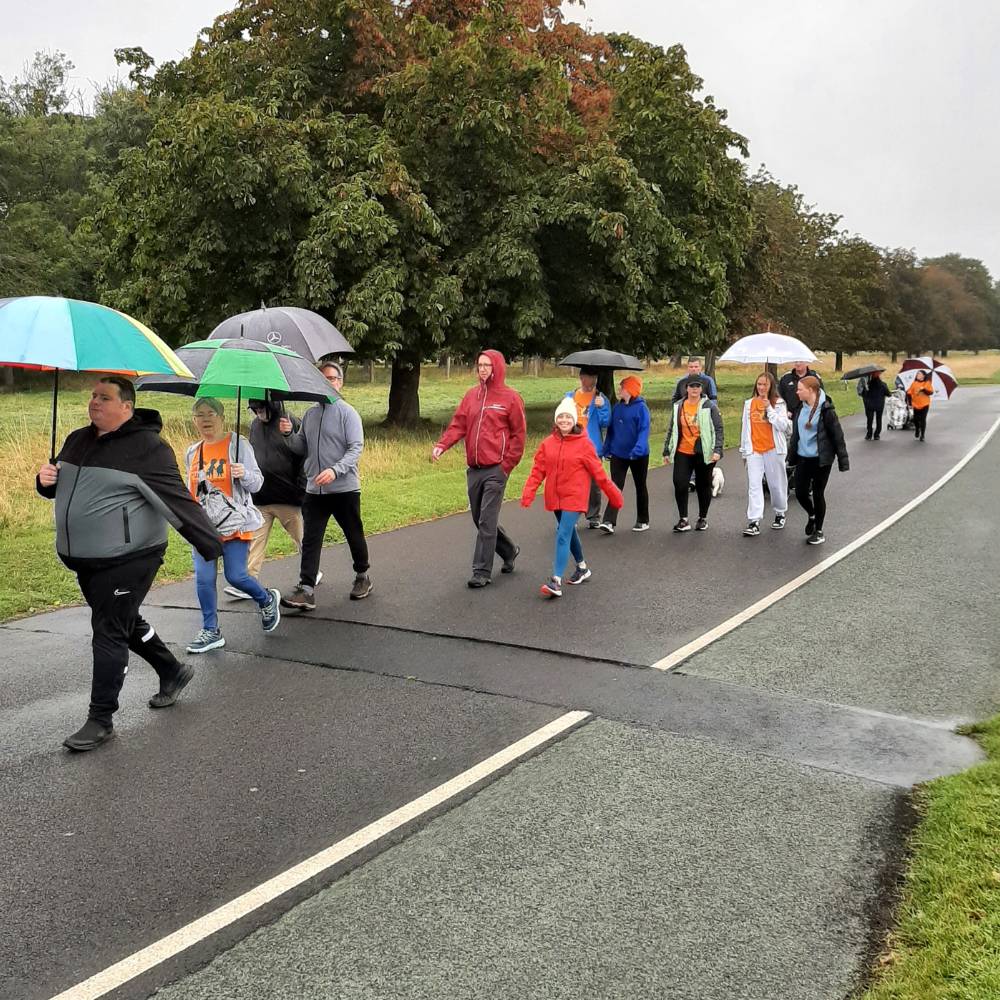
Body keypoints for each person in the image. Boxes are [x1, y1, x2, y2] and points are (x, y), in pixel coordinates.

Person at [36, 376, 223, 752]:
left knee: (108, 630)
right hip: (86, 559)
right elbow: (62, 489)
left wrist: (212, 545)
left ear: (126, 407)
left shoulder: (147, 449)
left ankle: (100, 719)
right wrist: (45, 481)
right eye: (92, 396)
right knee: (122, 619)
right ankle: (172, 670)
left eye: (104, 397)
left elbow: (176, 500)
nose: (94, 402)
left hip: (130, 558)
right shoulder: (76, 439)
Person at [184, 397, 281, 652]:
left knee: (236, 576)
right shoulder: (193, 451)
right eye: (199, 415)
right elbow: (190, 490)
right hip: (204, 527)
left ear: (221, 417)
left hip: (234, 523)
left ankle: (266, 599)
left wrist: (243, 474)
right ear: (194, 421)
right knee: (204, 579)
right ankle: (210, 630)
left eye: (210, 414)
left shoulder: (238, 445)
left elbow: (257, 483)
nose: (205, 419)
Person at [431, 350, 526, 588]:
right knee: (479, 518)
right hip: (474, 469)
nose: (482, 369)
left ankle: (481, 571)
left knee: (486, 519)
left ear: (497, 367)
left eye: (487, 365)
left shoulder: (510, 398)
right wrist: (443, 445)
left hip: (497, 468)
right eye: (479, 365)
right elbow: (458, 424)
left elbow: (519, 435)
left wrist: (506, 465)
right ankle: (509, 550)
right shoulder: (472, 396)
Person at [282, 361, 372, 610]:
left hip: (344, 489)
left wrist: (335, 470)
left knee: (353, 533)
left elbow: (356, 448)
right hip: (315, 490)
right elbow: (301, 448)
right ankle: (307, 589)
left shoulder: (347, 413)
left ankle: (363, 576)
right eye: (323, 378)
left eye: (332, 378)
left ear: (340, 382)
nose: (327, 382)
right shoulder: (310, 415)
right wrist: (289, 434)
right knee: (311, 539)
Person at [521, 398, 624, 598]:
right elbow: (537, 471)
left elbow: (599, 475)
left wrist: (614, 496)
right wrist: (529, 492)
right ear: (556, 420)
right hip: (555, 497)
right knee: (568, 533)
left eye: (568, 417)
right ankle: (582, 568)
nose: (564, 420)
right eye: (561, 417)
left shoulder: (584, 445)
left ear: (574, 420)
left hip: (575, 497)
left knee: (562, 534)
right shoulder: (548, 444)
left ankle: (556, 581)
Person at [223, 398, 317, 599]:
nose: (258, 413)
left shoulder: (289, 421)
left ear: (271, 405)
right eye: (254, 409)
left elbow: (304, 454)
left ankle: (311, 572)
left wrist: (301, 487)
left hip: (288, 496)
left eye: (261, 408)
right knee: (256, 541)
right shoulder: (256, 426)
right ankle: (249, 581)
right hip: (262, 496)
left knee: (301, 538)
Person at [788, 375, 849, 546]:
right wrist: (790, 457)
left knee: (817, 493)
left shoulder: (827, 410)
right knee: (799, 492)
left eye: (800, 389)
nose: (797, 392)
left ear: (811, 390)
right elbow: (796, 435)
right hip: (803, 457)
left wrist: (843, 460)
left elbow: (838, 436)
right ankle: (812, 515)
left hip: (821, 459)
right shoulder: (800, 408)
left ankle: (819, 531)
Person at [662, 377, 724, 532]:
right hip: (683, 451)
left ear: (701, 389)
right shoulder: (679, 406)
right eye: (692, 386)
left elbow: (718, 429)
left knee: (704, 485)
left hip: (703, 451)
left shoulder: (709, 406)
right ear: (686, 388)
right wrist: (666, 450)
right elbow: (672, 428)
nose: (695, 389)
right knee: (680, 482)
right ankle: (683, 519)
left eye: (698, 386)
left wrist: (717, 450)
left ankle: (703, 518)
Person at [739, 372, 792, 536]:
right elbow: (744, 428)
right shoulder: (749, 404)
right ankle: (754, 520)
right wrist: (744, 451)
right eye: (759, 384)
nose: (761, 387)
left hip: (774, 450)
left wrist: (769, 408)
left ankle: (780, 511)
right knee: (754, 485)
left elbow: (784, 426)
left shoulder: (779, 403)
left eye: (765, 385)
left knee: (776, 485)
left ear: (771, 387)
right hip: (754, 450)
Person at [598, 375, 650, 533]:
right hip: (618, 453)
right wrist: (606, 449)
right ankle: (609, 521)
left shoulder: (641, 408)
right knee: (615, 486)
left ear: (631, 389)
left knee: (640, 486)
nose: (619, 389)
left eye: (622, 387)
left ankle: (643, 520)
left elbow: (644, 431)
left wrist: (638, 449)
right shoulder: (618, 408)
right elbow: (611, 431)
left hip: (638, 455)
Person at [564, 366, 611, 527]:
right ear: (582, 377)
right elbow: (561, 418)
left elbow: (606, 422)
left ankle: (593, 516)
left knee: (594, 484)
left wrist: (602, 407)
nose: (593, 381)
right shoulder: (570, 397)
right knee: (573, 483)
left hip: (592, 446)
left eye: (595, 378)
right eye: (590, 377)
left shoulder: (600, 398)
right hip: (572, 445)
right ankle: (572, 516)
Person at [860, 371, 890, 441]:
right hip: (879, 405)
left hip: (869, 405)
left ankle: (869, 434)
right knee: (879, 419)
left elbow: (863, 394)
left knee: (869, 420)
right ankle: (877, 434)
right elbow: (888, 394)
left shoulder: (868, 386)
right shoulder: (883, 385)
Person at [906, 370, 934, 441]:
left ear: (923, 376)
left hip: (925, 404)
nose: (918, 375)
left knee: (923, 419)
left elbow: (930, 392)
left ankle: (922, 435)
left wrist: (924, 389)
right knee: (915, 419)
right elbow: (908, 393)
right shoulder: (914, 383)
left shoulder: (927, 383)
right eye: (917, 374)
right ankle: (917, 429)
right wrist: (909, 404)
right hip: (916, 404)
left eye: (919, 374)